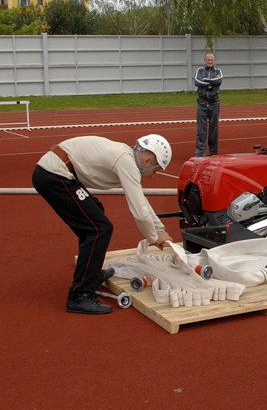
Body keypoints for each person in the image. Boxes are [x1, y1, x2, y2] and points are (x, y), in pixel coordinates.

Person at [32, 135, 174, 315]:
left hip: (56, 172)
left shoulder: (126, 156)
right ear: (146, 161)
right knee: (99, 229)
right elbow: (139, 211)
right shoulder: (126, 162)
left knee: (95, 215)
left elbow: (142, 201)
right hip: (54, 175)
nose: (153, 176)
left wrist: (160, 228)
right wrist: (154, 237)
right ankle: (80, 295)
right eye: (155, 170)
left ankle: (90, 275)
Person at [194, 51, 224, 156]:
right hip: (202, 102)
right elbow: (197, 82)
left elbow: (219, 81)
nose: (210, 61)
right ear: (204, 60)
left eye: (211, 60)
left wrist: (206, 80)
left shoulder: (218, 71)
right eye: (208, 60)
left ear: (214, 61)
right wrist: (212, 81)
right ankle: (200, 152)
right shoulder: (199, 71)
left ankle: (213, 153)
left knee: (214, 129)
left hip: (214, 102)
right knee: (201, 129)